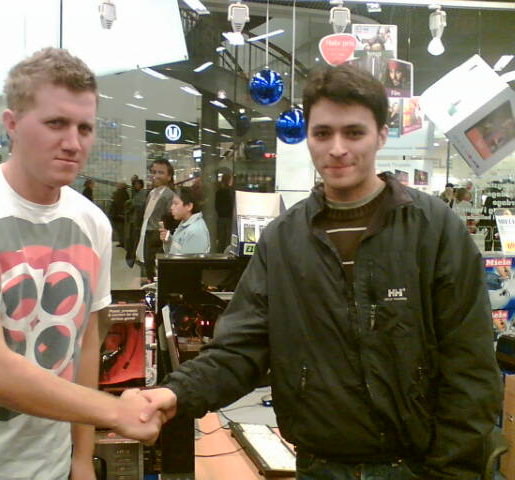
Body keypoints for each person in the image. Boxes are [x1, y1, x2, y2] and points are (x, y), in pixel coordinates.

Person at [140, 65, 502, 479]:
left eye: (354, 132)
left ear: (381, 135)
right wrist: (175, 393)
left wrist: (452, 471)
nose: (337, 148)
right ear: (308, 138)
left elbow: (470, 366)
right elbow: (240, 349)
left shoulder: (433, 229)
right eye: (323, 133)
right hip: (319, 466)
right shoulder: (283, 240)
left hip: (416, 467)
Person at [0, 47, 165, 480]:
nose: (73, 143)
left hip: (46, 465)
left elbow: (86, 344)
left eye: (84, 127)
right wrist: (115, 412)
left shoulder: (92, 223)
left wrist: (81, 456)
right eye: (56, 123)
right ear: (12, 124)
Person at [136, 159, 174, 282]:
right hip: (146, 233)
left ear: (169, 177)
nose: (156, 175)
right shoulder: (151, 193)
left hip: (157, 236)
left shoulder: (169, 195)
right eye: (153, 172)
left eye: (160, 172)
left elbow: (171, 218)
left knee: (154, 268)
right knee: (147, 265)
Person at [159, 186, 210, 255]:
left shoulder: (195, 231)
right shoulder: (185, 223)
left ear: (189, 206)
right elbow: (177, 252)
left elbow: (188, 261)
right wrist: (169, 241)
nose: (171, 207)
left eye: (176, 204)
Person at [215, 172, 234, 253]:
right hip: (228, 217)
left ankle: (220, 254)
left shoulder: (219, 191)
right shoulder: (229, 191)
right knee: (227, 239)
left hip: (221, 217)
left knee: (221, 239)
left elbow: (217, 205)